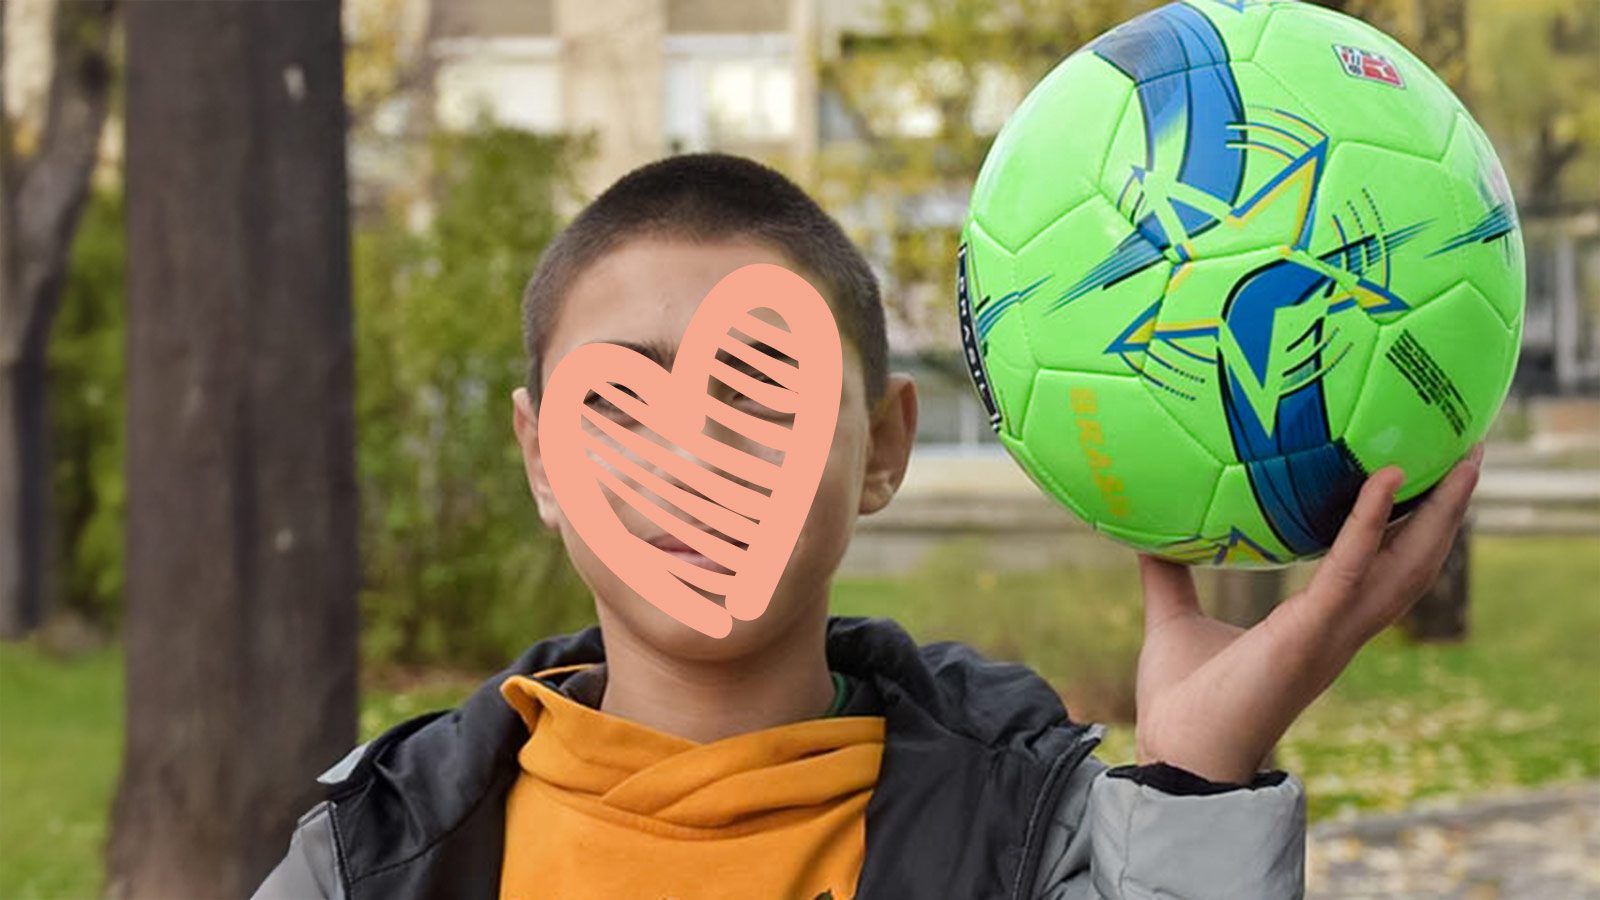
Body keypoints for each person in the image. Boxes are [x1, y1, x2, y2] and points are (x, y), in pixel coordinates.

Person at [253, 153, 1482, 900]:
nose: (694, 453)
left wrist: (1203, 777)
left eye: (758, 392)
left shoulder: (1027, 836)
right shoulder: (379, 856)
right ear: (542, 458)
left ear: (882, 447)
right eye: (623, 398)